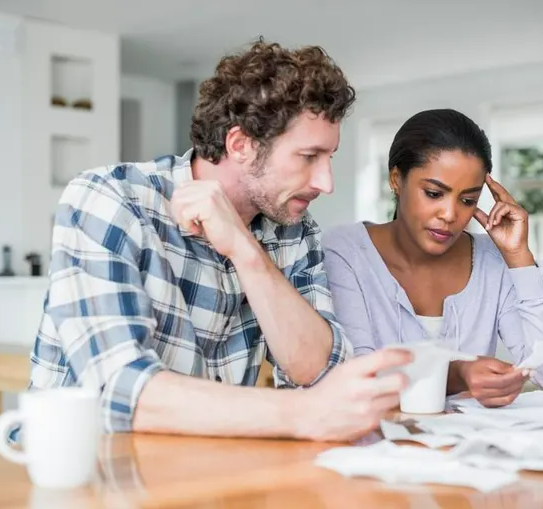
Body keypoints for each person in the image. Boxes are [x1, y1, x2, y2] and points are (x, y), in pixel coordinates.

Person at [22, 39, 411, 443]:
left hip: (202, 474)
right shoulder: (111, 198)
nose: (325, 183)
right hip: (86, 473)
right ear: (240, 145)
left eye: (328, 158)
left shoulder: (294, 229)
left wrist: (245, 250)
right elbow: (119, 389)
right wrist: (301, 414)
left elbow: (318, 372)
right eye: (308, 156)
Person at [323, 108, 543, 408]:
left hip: (469, 449)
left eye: (468, 200)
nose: (450, 215)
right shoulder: (345, 252)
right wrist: (456, 374)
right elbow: (355, 378)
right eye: (433, 193)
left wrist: (518, 257)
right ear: (396, 179)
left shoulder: (492, 261)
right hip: (374, 448)